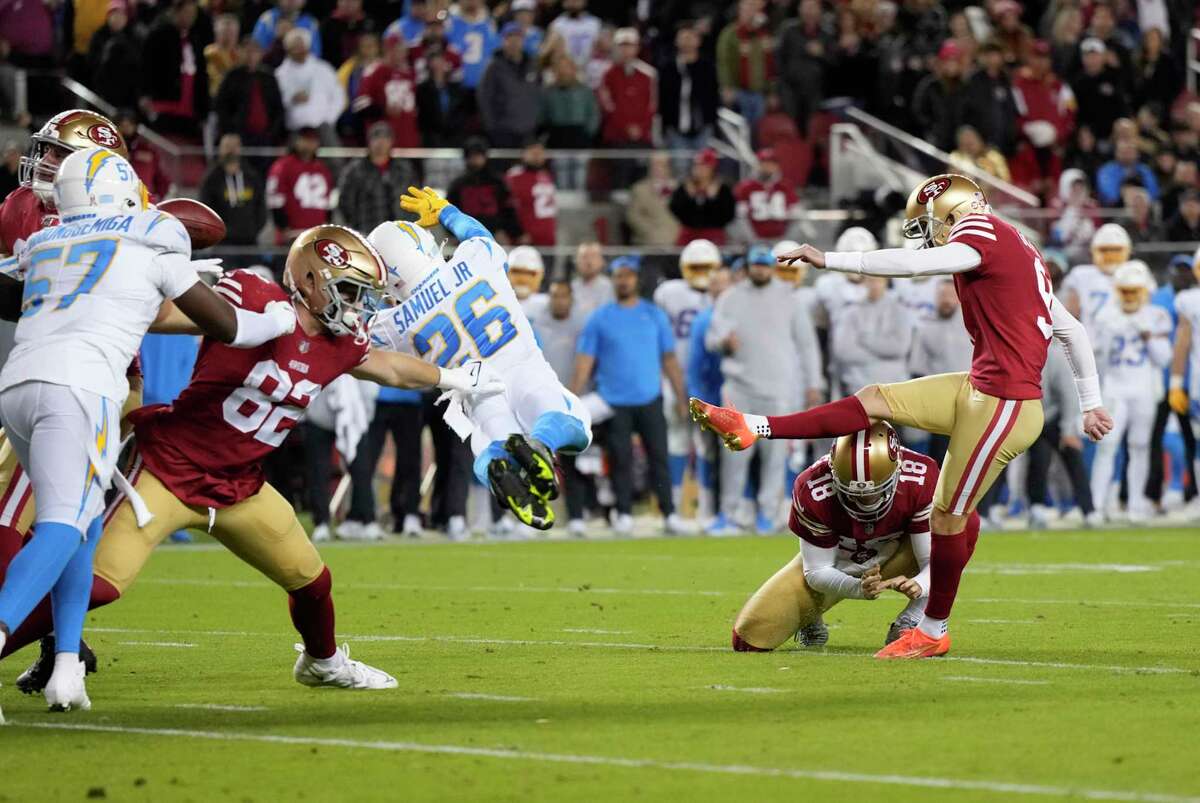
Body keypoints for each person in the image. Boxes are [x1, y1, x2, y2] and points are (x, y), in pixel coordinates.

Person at [5, 224, 504, 693]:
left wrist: (452, 378)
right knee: (100, 587)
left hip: (240, 485)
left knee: (312, 581)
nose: (358, 309)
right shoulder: (251, 296)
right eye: (350, 292)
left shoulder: (341, 342)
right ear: (310, 279)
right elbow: (162, 316)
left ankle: (323, 663)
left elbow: (390, 368)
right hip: (168, 470)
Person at [693, 173, 1112, 659]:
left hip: (1005, 404)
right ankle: (755, 425)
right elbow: (1072, 330)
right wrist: (1091, 402)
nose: (929, 231)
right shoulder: (1019, 245)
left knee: (948, 516)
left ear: (951, 213)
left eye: (931, 223)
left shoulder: (982, 232)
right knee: (873, 399)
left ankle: (931, 630)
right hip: (981, 388)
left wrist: (826, 258)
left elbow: (916, 266)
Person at [0, 146, 298, 710]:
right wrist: (279, 317)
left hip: (17, 387)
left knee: (83, 526)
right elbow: (229, 327)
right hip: (81, 387)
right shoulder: (153, 236)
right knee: (63, 527)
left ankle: (67, 667)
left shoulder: (44, 240)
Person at [370, 190, 593, 531]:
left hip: (474, 393)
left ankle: (496, 469)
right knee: (573, 419)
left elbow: (354, 345)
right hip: (520, 365)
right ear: (420, 245)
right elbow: (478, 234)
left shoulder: (390, 325)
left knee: (488, 447)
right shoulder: (475, 257)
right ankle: (542, 444)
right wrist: (446, 212)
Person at [732, 424, 957, 651]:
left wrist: (920, 584)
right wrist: (858, 588)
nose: (865, 502)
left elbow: (934, 559)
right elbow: (817, 570)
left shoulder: (921, 476)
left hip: (899, 549)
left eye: (875, 491)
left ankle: (913, 618)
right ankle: (810, 615)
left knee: (958, 530)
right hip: (837, 558)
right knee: (748, 639)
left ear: (897, 470)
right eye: (854, 493)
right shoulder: (811, 487)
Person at [705, 244, 821, 535]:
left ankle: (767, 515)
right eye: (755, 265)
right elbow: (712, 338)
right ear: (747, 266)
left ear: (772, 266)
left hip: (777, 388)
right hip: (738, 388)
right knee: (734, 455)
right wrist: (723, 343)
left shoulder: (789, 298)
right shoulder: (730, 298)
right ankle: (728, 514)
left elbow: (807, 345)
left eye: (764, 265)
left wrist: (813, 383)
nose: (760, 270)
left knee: (774, 457)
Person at [572, 255, 691, 536]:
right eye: (618, 275)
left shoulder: (654, 314)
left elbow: (670, 359)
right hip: (614, 401)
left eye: (628, 275)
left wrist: (681, 397)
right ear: (612, 279)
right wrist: (571, 400)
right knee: (620, 460)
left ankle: (669, 513)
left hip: (650, 398)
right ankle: (623, 512)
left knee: (659, 458)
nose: (623, 280)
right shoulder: (600, 318)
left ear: (636, 279)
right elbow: (584, 362)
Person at [1088, 261, 1171, 522]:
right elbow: (1096, 360)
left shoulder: (1156, 315)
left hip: (1143, 388)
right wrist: (1108, 337)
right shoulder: (1106, 315)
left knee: (1140, 446)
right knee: (1107, 446)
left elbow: (1163, 359)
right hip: (1114, 387)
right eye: (1126, 291)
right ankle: (1097, 505)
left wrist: (1147, 335)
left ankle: (1135, 504)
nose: (1130, 297)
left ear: (1145, 290)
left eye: (1135, 291)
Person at [654, 239, 718, 518]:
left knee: (707, 446)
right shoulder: (669, 292)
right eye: (697, 267)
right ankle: (675, 505)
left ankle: (706, 507)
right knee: (677, 441)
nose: (702, 273)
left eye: (707, 267)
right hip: (674, 378)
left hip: (707, 381)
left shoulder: (722, 295)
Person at [529, 280, 590, 534]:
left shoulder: (581, 325)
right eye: (555, 296)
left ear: (571, 299)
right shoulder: (536, 325)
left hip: (570, 400)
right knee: (534, 459)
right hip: (541, 402)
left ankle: (576, 516)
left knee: (572, 462)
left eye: (563, 296)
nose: (559, 301)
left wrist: (574, 396)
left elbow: (586, 361)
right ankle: (534, 515)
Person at [908, 279, 974, 464]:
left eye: (951, 295)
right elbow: (917, 368)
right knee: (940, 459)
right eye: (942, 295)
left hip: (973, 403)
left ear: (959, 298)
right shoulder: (925, 327)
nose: (946, 300)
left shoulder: (974, 323)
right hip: (941, 406)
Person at [139, 0, 208, 137]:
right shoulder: (158, 35)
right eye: (187, 13)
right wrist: (144, 94)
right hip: (164, 106)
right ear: (176, 12)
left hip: (190, 110)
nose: (191, 17)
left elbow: (201, 75)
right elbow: (145, 68)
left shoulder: (194, 40)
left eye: (193, 14)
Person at [336, 122, 415, 234]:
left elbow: (414, 201)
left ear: (391, 141)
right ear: (369, 141)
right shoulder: (355, 170)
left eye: (385, 138)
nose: (381, 142)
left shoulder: (404, 170)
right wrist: (357, 228)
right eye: (376, 138)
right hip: (366, 234)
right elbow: (345, 203)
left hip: (399, 234)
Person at [275, 28, 346, 144]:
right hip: (295, 128)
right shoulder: (280, 74)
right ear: (288, 49)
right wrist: (291, 99)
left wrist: (329, 119)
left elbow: (339, 97)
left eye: (301, 45)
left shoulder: (324, 69)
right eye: (295, 46)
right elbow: (275, 103)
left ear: (307, 47)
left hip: (323, 126)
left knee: (335, 160)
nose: (299, 50)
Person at [446, 138, 522, 244]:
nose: (475, 159)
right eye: (472, 156)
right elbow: (449, 211)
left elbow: (507, 209)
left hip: (495, 234)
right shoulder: (458, 185)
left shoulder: (497, 182)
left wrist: (511, 232)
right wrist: (452, 234)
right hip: (466, 235)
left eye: (478, 155)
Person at [199, 133, 268, 248]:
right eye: (227, 146)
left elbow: (261, 206)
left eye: (234, 146)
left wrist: (252, 230)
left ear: (240, 149)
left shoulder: (251, 176)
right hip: (223, 245)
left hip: (250, 242)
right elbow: (206, 208)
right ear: (220, 149)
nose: (231, 151)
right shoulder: (211, 178)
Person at [214, 38, 286, 149]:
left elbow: (278, 108)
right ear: (239, 52)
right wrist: (230, 133)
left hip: (266, 137)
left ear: (261, 54)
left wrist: (272, 133)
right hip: (238, 138)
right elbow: (222, 107)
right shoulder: (231, 76)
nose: (251, 55)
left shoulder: (269, 77)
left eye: (255, 52)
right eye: (247, 51)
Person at [478, 22, 540, 148]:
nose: (514, 42)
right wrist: (492, 126)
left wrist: (536, 121)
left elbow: (539, 94)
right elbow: (484, 97)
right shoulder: (494, 67)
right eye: (510, 38)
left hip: (529, 130)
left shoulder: (532, 66)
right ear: (503, 41)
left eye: (517, 38)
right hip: (503, 131)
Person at [353, 32, 420, 147]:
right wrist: (383, 110)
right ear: (388, 50)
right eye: (398, 50)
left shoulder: (410, 74)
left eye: (404, 50)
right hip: (382, 140)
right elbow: (359, 105)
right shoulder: (373, 71)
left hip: (408, 138)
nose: (403, 54)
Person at [715, 0, 774, 130]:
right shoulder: (729, 34)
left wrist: (771, 91)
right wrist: (726, 86)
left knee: (757, 129)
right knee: (738, 128)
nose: (749, 13)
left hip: (759, 92)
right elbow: (723, 62)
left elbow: (770, 64)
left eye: (752, 9)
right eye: (745, 10)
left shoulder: (763, 34)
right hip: (737, 91)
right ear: (739, 12)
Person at [1063, 223, 1130, 336]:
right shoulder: (1081, 275)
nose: (1110, 256)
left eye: (1115, 251)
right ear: (1093, 250)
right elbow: (1071, 315)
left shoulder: (1134, 274)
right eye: (1105, 250)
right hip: (1089, 344)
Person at [267, 128, 334, 241]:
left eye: (313, 140)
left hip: (317, 236)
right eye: (306, 139)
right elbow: (274, 199)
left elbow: (329, 201)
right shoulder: (283, 166)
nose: (309, 144)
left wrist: (326, 226)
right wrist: (283, 227)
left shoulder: (323, 169)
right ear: (296, 141)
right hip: (291, 235)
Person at [660, 23, 717, 154]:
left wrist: (711, 123)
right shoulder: (668, 68)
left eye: (690, 37)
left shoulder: (707, 67)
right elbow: (663, 99)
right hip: (676, 129)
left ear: (698, 41)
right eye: (683, 38)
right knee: (680, 170)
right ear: (676, 41)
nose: (687, 42)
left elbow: (713, 97)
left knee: (703, 169)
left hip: (703, 128)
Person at [598, 28, 656, 149]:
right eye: (622, 45)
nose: (625, 50)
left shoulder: (648, 74)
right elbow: (607, 105)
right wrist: (626, 127)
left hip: (643, 136)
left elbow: (652, 105)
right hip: (616, 136)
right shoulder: (607, 74)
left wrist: (641, 127)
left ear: (637, 48)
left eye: (630, 45)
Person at [669, 148, 735, 246]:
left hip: (713, 233)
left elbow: (728, 215)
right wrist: (689, 197)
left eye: (704, 166)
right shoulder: (685, 187)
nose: (699, 169)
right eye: (697, 165)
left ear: (712, 168)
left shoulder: (723, 189)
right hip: (689, 233)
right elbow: (676, 210)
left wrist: (712, 199)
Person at [734, 148, 799, 241]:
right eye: (764, 163)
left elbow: (795, 216)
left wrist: (787, 239)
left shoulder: (786, 186)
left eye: (772, 163)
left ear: (777, 166)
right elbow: (741, 217)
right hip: (755, 240)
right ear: (758, 165)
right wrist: (752, 240)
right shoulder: (745, 187)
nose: (768, 166)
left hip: (781, 239)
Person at [88, 0, 142, 109]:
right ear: (108, 17)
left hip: (128, 94)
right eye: (114, 14)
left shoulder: (134, 37)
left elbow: (138, 64)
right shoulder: (99, 36)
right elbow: (93, 64)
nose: (117, 18)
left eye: (121, 15)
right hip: (105, 91)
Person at [505, 139, 557, 246]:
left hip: (548, 239)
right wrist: (517, 233)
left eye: (540, 153)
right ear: (524, 154)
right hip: (526, 241)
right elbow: (507, 208)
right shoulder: (514, 177)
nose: (537, 157)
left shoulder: (546, 175)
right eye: (534, 153)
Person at [627, 153, 681, 247]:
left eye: (661, 164)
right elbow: (633, 216)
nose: (657, 168)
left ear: (669, 166)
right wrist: (651, 232)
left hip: (676, 242)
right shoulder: (639, 189)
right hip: (647, 242)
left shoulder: (680, 189)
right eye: (654, 164)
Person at [251, 0, 322, 59]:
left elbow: (315, 57)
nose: (291, 1)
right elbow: (255, 53)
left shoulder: (311, 23)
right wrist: (277, 40)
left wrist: (293, 40)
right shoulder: (267, 19)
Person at [570, 241, 613, 318]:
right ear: (576, 261)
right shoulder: (571, 287)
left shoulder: (610, 287)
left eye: (593, 256)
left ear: (602, 261)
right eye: (584, 257)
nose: (588, 262)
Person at [507, 245, 547, 318]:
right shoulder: (498, 301)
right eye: (517, 272)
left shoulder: (547, 304)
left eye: (529, 273)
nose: (523, 279)